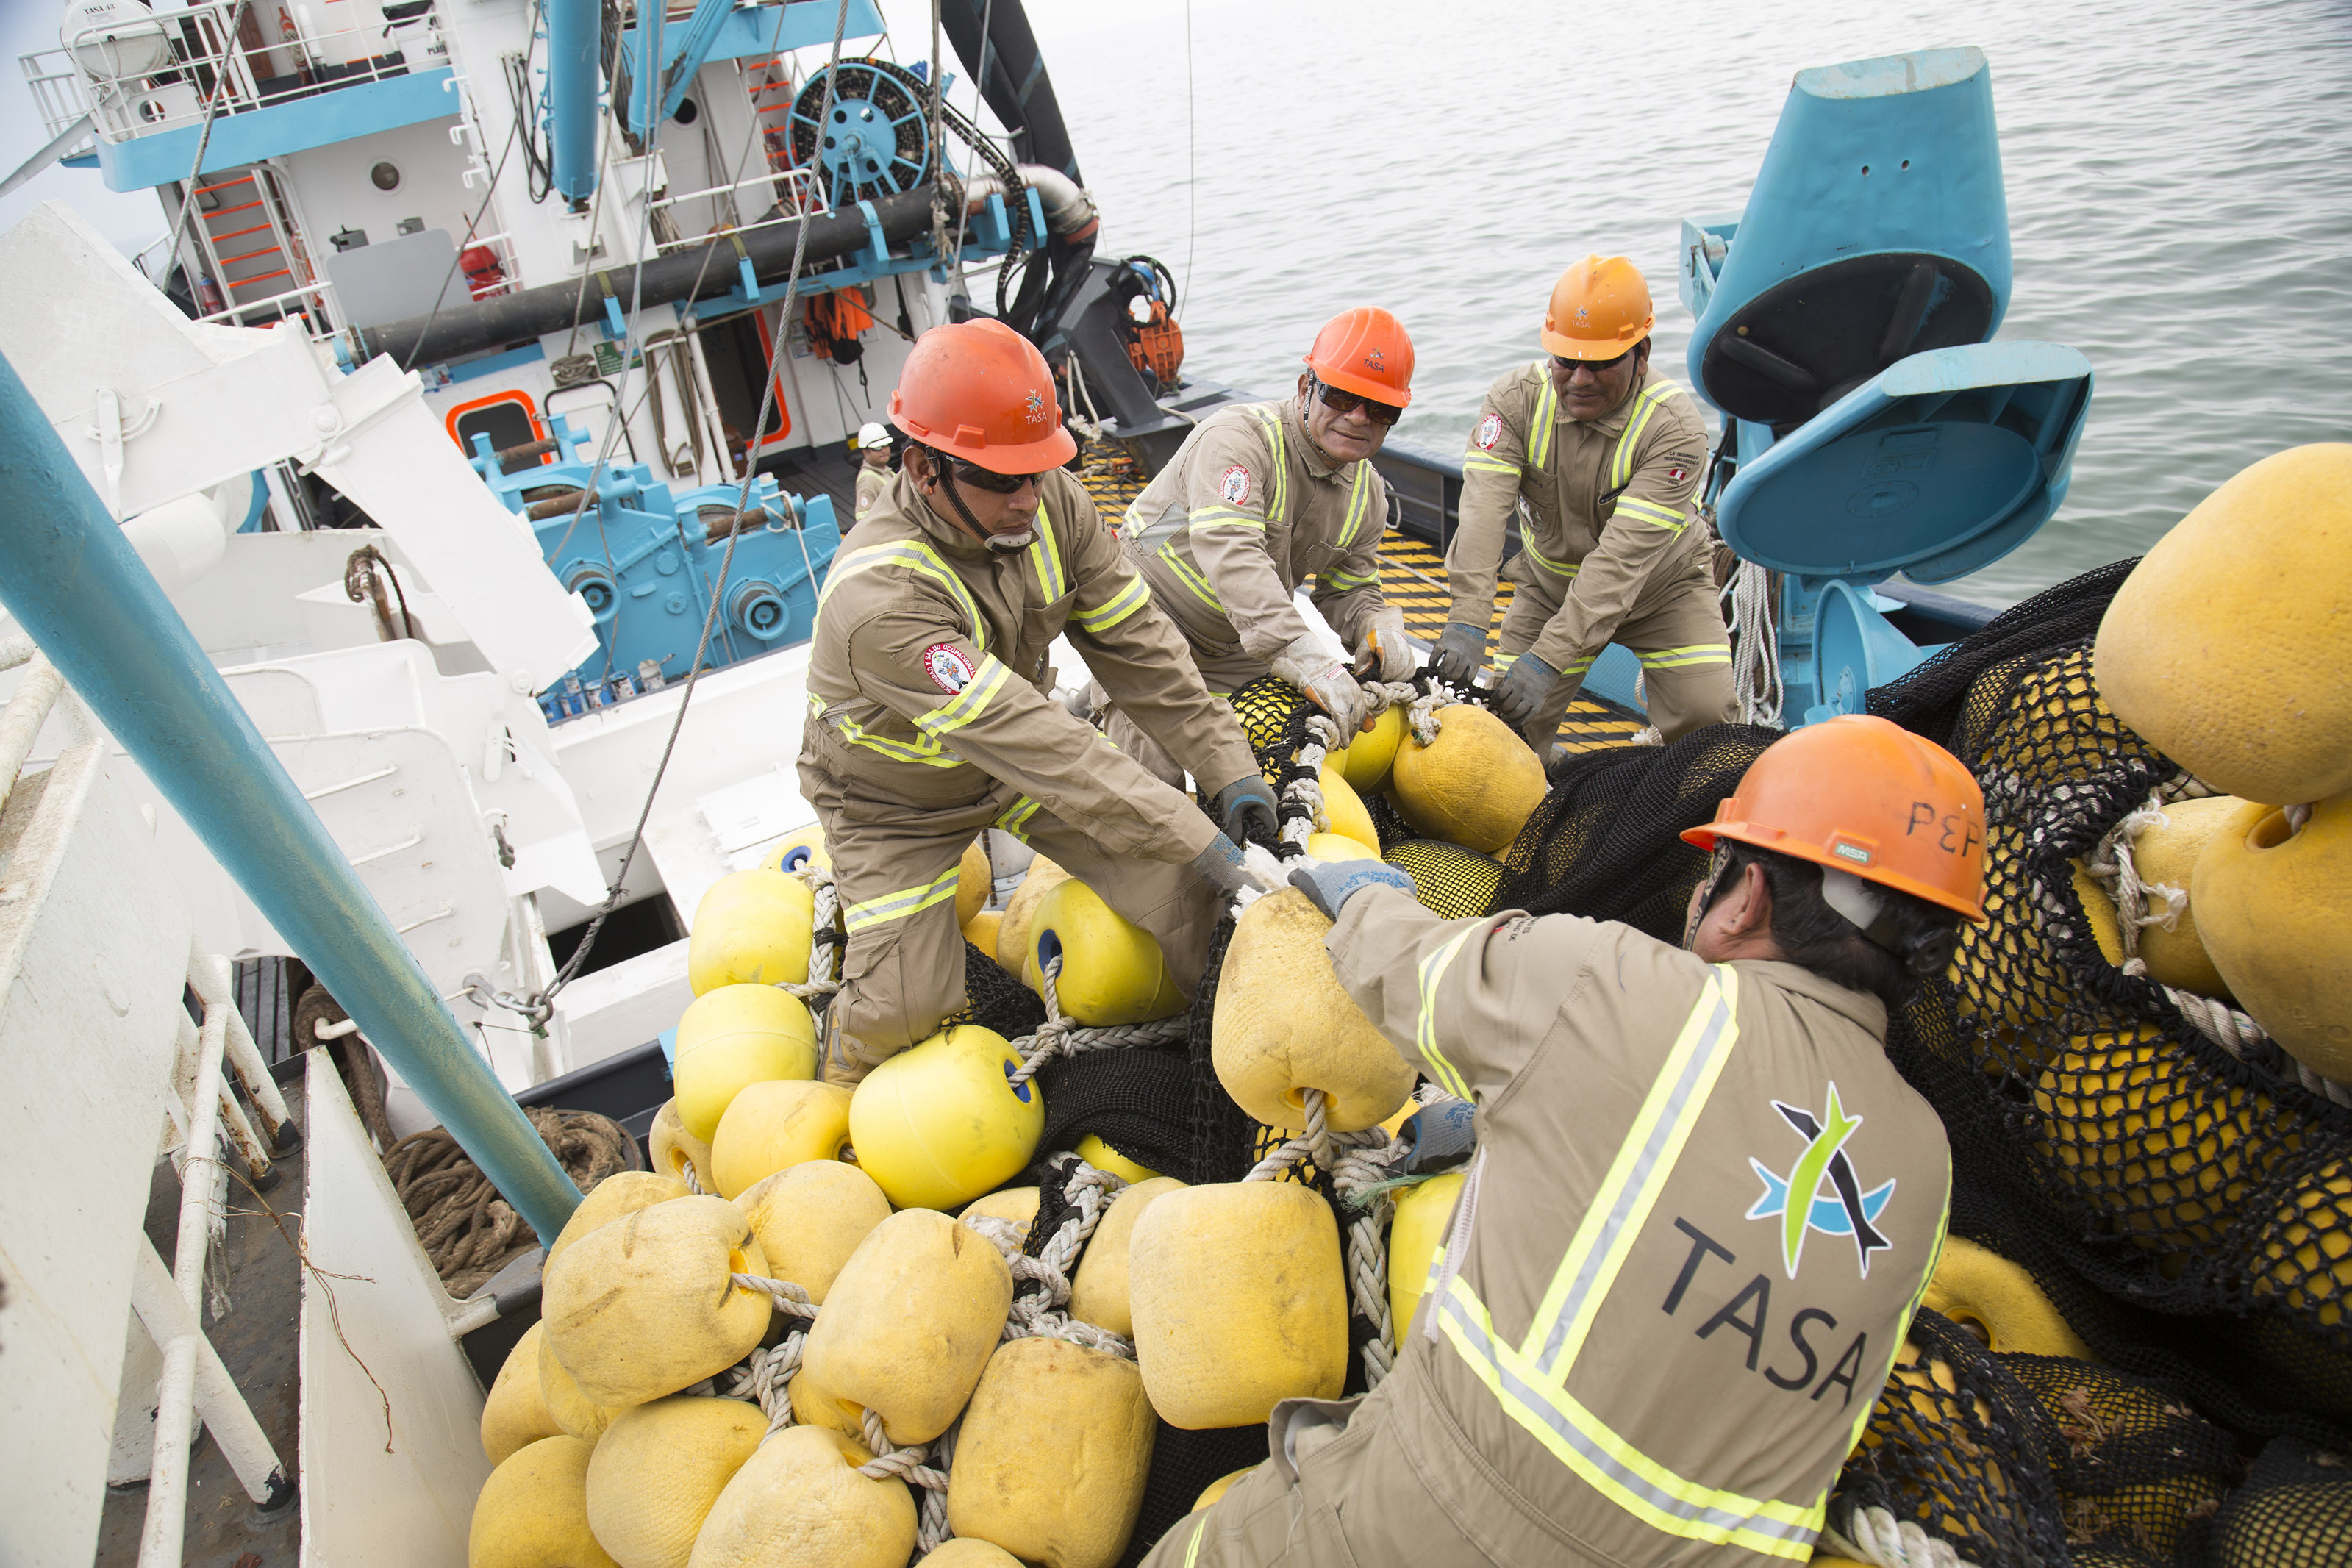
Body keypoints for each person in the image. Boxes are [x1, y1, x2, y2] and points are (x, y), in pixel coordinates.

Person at [1147, 715, 1985, 1568]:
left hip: (1434, 1523)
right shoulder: (1927, 1166)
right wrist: (1501, 1124)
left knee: (1208, 1545)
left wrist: (1361, 891)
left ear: (1752, 891)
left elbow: (1404, 968)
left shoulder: (1612, 983)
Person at [802, 319, 1276, 1080]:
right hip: (893, 806)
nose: (1029, 496)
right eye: (1000, 479)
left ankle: (1255, 1054)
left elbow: (1143, 653)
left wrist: (1229, 770)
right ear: (923, 469)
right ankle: (837, 1092)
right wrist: (1197, 833)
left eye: (1044, 466)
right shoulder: (879, 599)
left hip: (1014, 769)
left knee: (1189, 899)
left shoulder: (1052, 502)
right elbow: (1040, 742)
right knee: (904, 1010)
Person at [1426, 256, 1740, 753]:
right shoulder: (1514, 401)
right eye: (1566, 361)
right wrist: (1467, 617)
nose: (1579, 379)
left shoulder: (1674, 431)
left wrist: (1548, 659)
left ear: (1642, 354)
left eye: (1599, 364)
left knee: (1707, 727)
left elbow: (1620, 563)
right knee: (1504, 735)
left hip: (1662, 592)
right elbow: (1483, 512)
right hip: (1549, 590)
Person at [1108, 308, 1420, 781]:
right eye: (1340, 395)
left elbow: (1350, 588)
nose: (1357, 418)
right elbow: (1231, 551)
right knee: (1154, 773)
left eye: (1379, 409)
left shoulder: (1369, 494)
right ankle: (1099, 711)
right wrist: (1302, 652)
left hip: (1235, 642)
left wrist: (1377, 626)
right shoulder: (1237, 439)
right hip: (1144, 615)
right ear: (1305, 388)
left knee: (1281, 748)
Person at [852, 420, 895, 521]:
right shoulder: (868, 480)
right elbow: (863, 519)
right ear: (865, 452)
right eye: (878, 448)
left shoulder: (886, 472)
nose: (884, 450)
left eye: (886, 445)